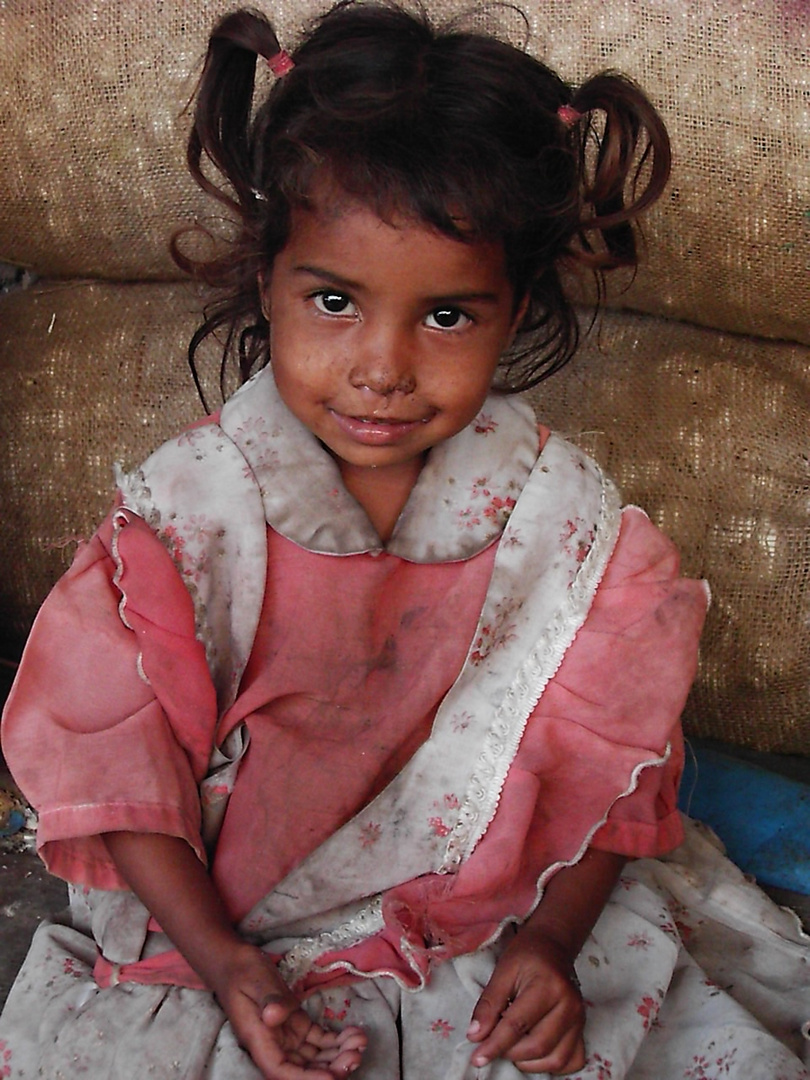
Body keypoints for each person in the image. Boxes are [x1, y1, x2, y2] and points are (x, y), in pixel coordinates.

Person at [1, 4, 808, 1078]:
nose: (381, 366)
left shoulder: (562, 528)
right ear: (268, 285)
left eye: (445, 317)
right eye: (334, 299)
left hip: (489, 911)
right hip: (226, 922)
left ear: (515, 311)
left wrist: (550, 944)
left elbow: (604, 775)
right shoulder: (185, 521)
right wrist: (225, 963)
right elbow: (124, 767)